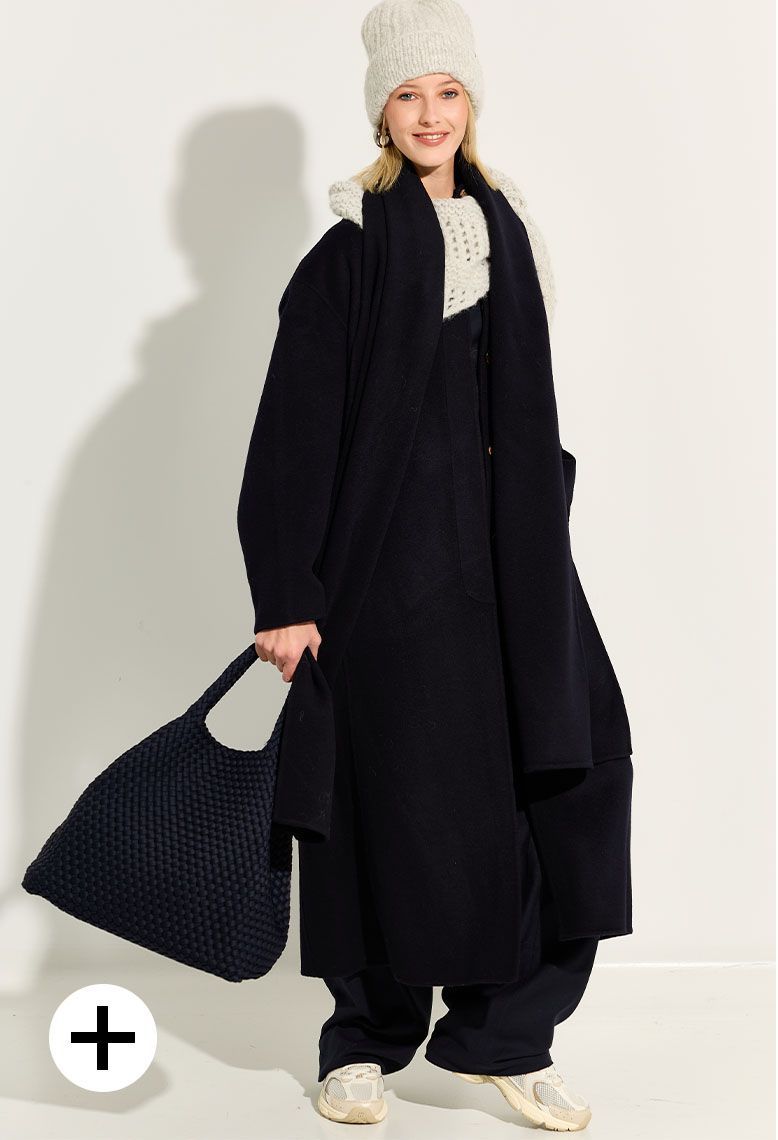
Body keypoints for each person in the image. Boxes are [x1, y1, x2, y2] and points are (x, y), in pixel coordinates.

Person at [237, 0, 634, 1130]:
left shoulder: (514, 237)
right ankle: (363, 1042)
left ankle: (505, 1037)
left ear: (472, 102)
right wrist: (288, 597)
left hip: (514, 570)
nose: (429, 113)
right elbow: (290, 439)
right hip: (391, 578)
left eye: (447, 91)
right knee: (389, 804)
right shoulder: (349, 256)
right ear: (381, 110)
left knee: (570, 776)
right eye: (408, 94)